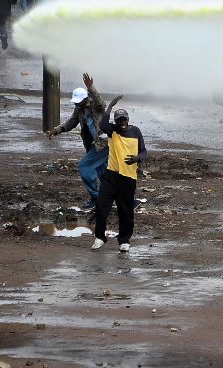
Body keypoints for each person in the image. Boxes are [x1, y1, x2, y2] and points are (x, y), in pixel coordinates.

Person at [92, 97, 147, 253]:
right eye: (119, 120)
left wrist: (137, 158)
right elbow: (102, 124)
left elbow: (144, 151)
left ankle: (124, 240)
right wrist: (109, 107)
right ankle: (100, 237)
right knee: (102, 206)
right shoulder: (112, 131)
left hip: (128, 178)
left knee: (126, 210)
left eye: (124, 119)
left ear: (128, 119)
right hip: (110, 176)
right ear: (115, 121)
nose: (122, 122)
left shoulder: (136, 131)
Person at [46, 73, 109, 210]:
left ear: (85, 98)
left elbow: (102, 103)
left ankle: (96, 198)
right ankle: (111, 198)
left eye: (77, 101)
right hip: (94, 145)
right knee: (103, 172)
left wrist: (91, 88)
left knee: (84, 167)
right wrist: (58, 130)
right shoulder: (79, 109)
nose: (75, 103)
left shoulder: (94, 106)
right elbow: (72, 122)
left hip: (103, 144)